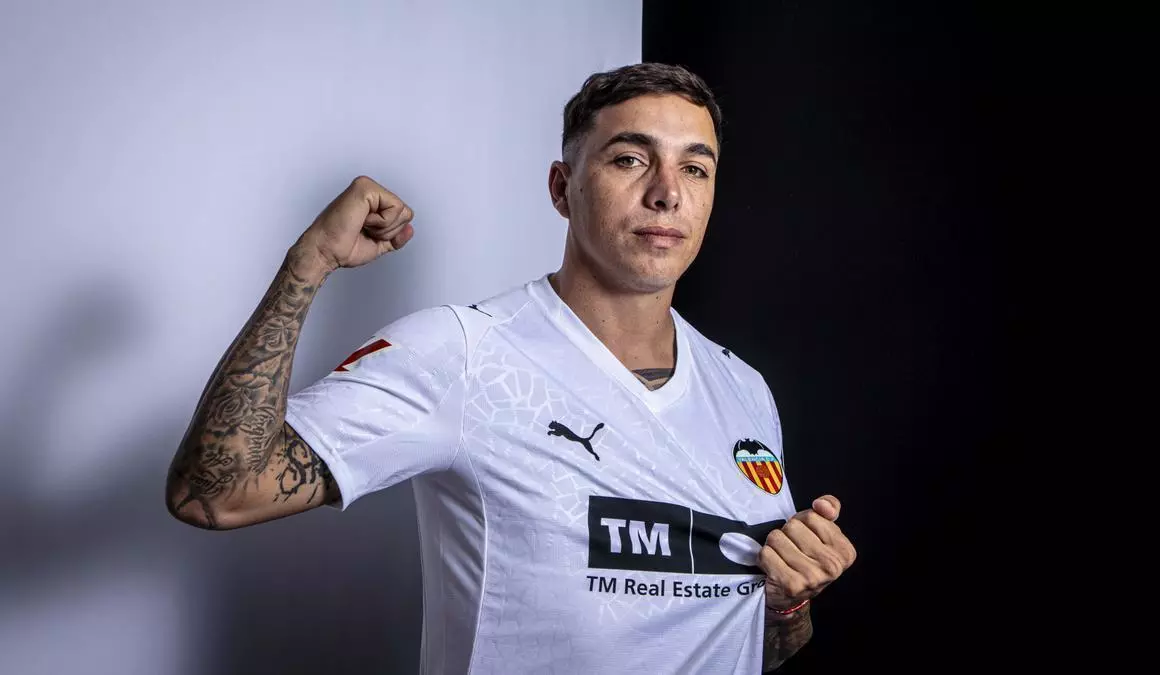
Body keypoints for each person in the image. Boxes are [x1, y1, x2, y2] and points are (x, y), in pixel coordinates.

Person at [167, 62, 856, 673]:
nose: (666, 193)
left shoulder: (742, 389)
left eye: (695, 168)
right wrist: (307, 264)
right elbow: (213, 493)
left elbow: (756, 645)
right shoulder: (463, 353)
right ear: (562, 187)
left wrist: (787, 601)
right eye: (630, 159)